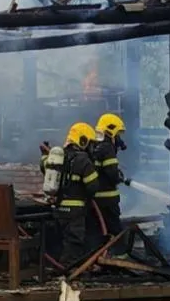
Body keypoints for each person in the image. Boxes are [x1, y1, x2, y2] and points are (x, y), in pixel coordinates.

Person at [40, 122, 101, 268]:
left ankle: (57, 266)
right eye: (90, 143)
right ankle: (69, 270)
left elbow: (44, 166)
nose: (92, 147)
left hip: (58, 209)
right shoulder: (83, 160)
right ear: (83, 141)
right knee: (74, 242)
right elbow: (93, 187)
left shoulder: (58, 156)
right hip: (75, 211)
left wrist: (44, 156)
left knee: (61, 240)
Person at [91, 113, 127, 253]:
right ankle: (119, 255)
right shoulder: (107, 148)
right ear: (110, 131)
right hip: (108, 200)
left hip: (96, 199)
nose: (118, 138)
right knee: (115, 230)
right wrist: (120, 176)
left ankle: (100, 256)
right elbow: (112, 174)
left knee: (99, 231)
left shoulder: (95, 146)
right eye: (117, 134)